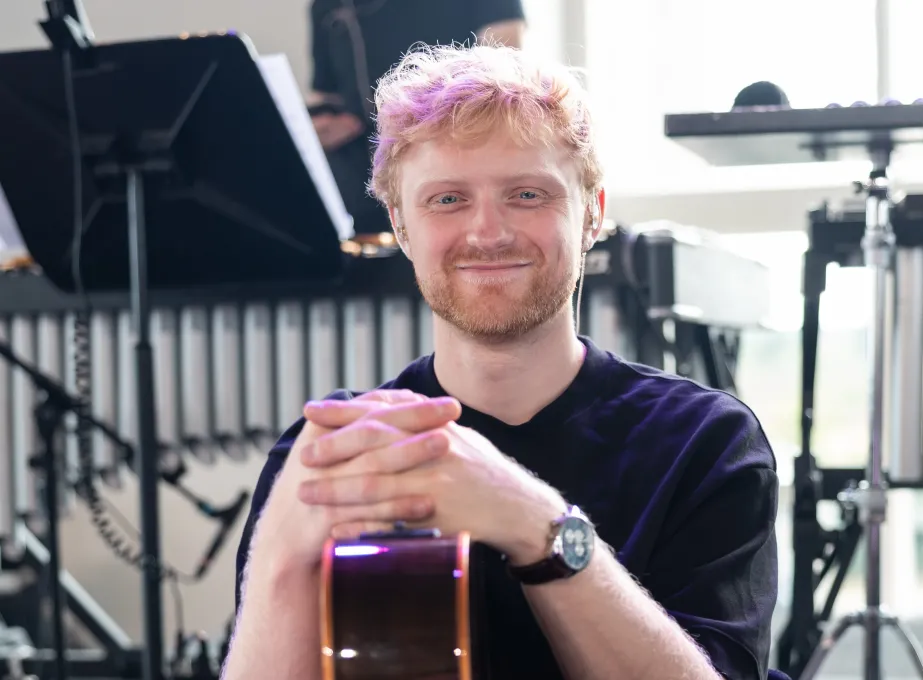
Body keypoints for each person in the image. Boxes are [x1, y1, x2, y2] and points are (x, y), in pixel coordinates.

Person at [225, 43, 780, 679]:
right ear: (401, 226)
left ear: (591, 215)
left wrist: (532, 521)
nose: (488, 233)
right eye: (447, 200)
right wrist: (279, 556)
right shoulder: (343, 452)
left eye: (526, 194)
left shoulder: (706, 441)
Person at [307, 0, 525, 235]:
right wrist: (319, 127)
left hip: (453, 151)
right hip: (358, 173)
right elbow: (324, 94)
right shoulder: (326, 6)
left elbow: (504, 75)